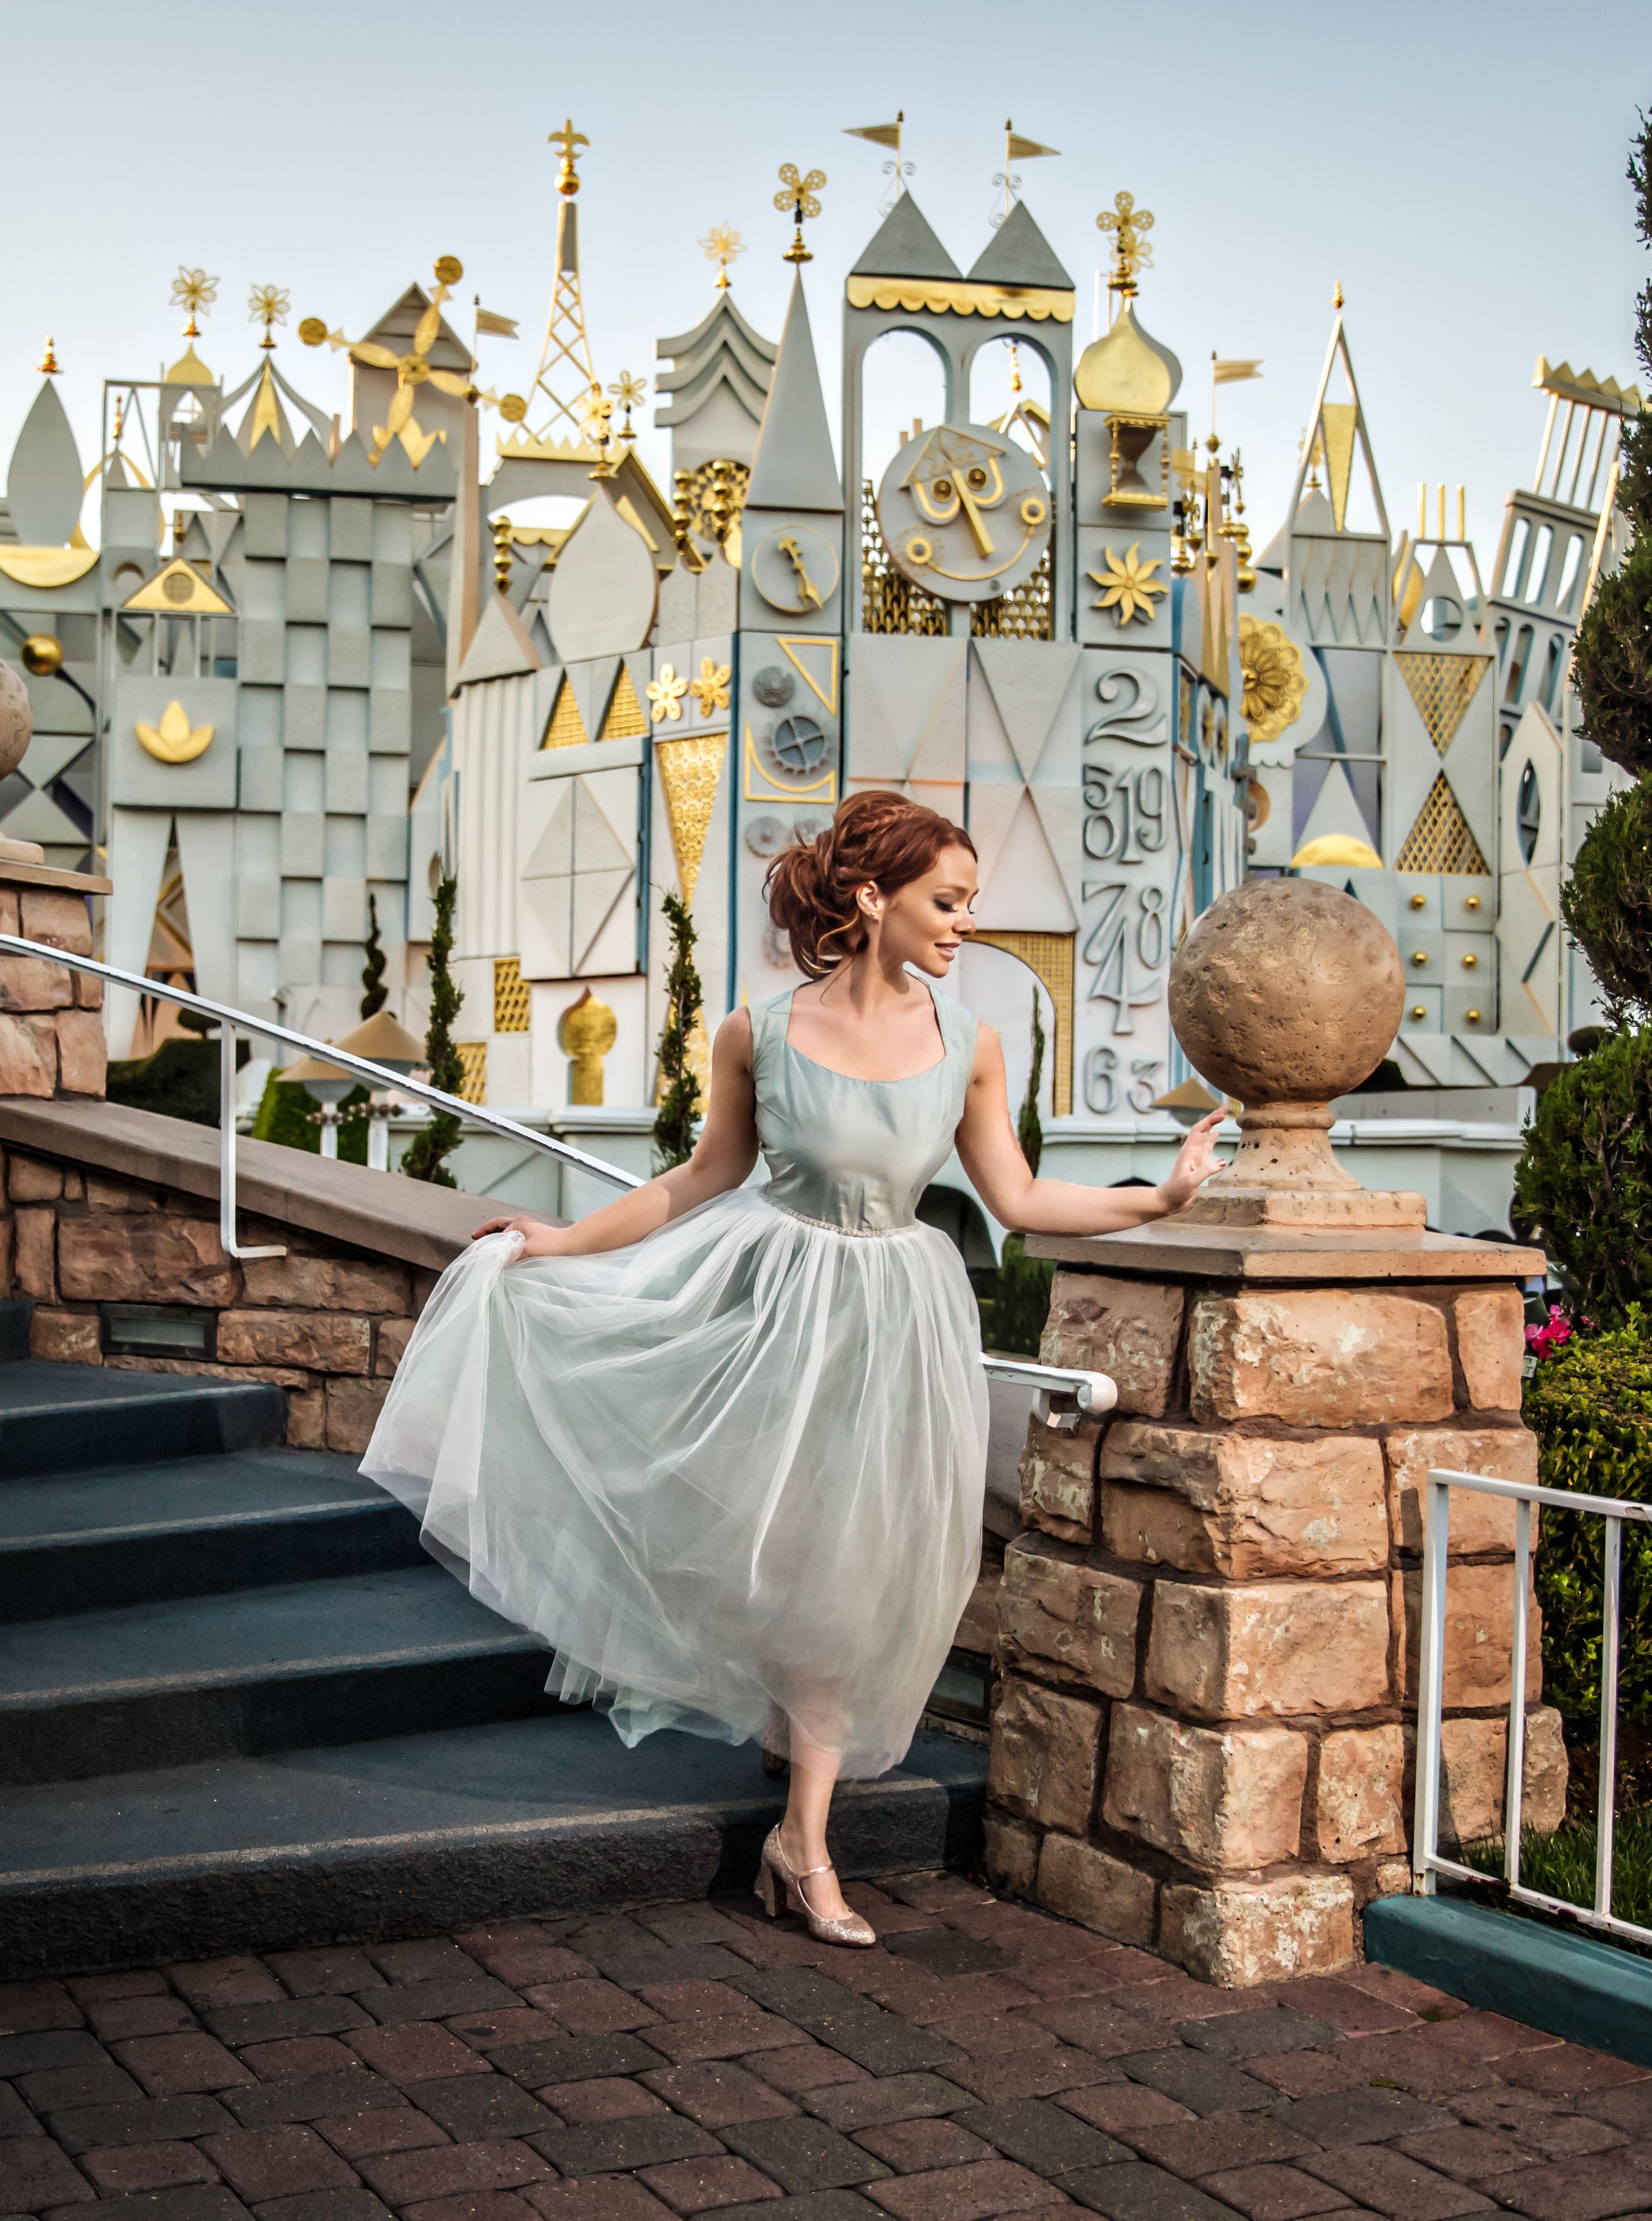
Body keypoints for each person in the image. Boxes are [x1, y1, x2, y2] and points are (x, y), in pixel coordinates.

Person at [360, 792, 1224, 1945]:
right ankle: (791, 1780)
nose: (964, 925)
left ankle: (804, 1843)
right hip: (771, 1310)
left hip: (897, 1320)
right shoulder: (754, 1033)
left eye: (967, 904)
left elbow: (1016, 1199)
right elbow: (697, 1179)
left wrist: (1155, 1199)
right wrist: (561, 1243)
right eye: (947, 902)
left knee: (856, 1566)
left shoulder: (969, 1043)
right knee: (782, 1557)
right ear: (874, 900)